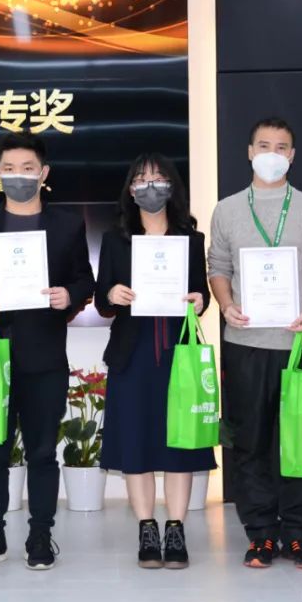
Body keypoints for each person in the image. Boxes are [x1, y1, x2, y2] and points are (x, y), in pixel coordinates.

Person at [0, 132, 95, 571]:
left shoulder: (66, 225)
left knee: (42, 451)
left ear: (43, 173)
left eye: (28, 168)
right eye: (10, 169)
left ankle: (40, 534)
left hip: (44, 354)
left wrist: (68, 295)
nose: (19, 176)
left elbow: (84, 279)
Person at [207, 117, 302, 570]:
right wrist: (226, 305)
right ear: (249, 152)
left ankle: (299, 534)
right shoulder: (227, 209)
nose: (272, 153)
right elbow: (218, 268)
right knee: (250, 443)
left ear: (292, 155)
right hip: (246, 341)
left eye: (281, 146)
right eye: (264, 145)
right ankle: (260, 533)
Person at [95, 153, 213, 570]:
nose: (150, 186)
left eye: (158, 178)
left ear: (172, 186)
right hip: (133, 353)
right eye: (141, 179)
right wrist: (112, 294)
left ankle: (175, 529)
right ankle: (147, 528)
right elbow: (101, 298)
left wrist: (199, 300)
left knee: (180, 441)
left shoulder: (191, 239)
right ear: (130, 190)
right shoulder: (116, 239)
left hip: (177, 353)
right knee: (136, 441)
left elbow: (201, 293)